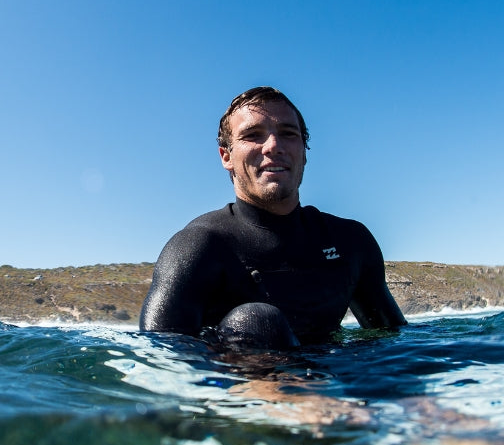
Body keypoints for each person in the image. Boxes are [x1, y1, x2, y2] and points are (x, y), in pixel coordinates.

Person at [140, 87, 405, 348]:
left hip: (329, 381)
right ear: (226, 156)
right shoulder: (197, 247)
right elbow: (158, 360)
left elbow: (394, 340)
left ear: (304, 150)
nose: (274, 146)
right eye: (253, 135)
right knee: (256, 321)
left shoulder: (351, 241)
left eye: (288, 134)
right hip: (233, 384)